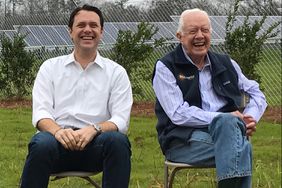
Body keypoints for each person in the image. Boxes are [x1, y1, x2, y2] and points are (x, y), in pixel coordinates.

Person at [20, 4, 133, 188]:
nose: (87, 30)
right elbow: (41, 113)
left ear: (101, 31)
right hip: (56, 145)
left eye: (93, 25)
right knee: (40, 142)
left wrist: (93, 129)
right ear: (70, 31)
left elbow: (121, 120)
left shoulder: (116, 72)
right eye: (81, 25)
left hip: (96, 146)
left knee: (118, 141)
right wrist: (58, 131)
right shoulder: (50, 68)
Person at [152, 8, 267, 188]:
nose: (200, 36)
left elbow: (256, 93)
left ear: (211, 33)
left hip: (227, 133)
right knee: (241, 147)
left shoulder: (226, 63)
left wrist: (249, 118)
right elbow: (177, 114)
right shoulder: (166, 67)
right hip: (182, 141)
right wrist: (225, 118)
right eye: (193, 31)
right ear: (179, 36)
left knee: (232, 136)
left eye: (205, 30)